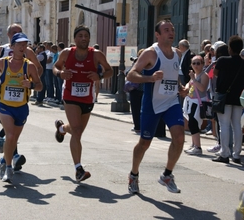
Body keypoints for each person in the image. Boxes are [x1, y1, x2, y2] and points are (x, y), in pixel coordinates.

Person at [126, 20, 185, 194]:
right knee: (144, 143)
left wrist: (180, 88)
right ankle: (134, 175)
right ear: (157, 35)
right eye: (166, 30)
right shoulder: (150, 54)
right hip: (152, 104)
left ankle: (167, 175)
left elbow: (173, 76)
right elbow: (131, 74)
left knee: (179, 137)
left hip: (171, 102)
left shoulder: (177, 54)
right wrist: (150, 78)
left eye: (172, 29)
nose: (171, 32)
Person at [53, 25, 113, 182]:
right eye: (80, 35)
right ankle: (78, 169)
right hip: (70, 96)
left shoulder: (96, 54)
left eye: (86, 35)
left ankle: (61, 128)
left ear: (89, 39)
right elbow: (56, 67)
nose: (83, 38)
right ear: (74, 39)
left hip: (87, 98)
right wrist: (60, 73)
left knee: (75, 130)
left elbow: (109, 71)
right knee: (78, 132)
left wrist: (99, 75)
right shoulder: (67, 53)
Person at [0, 32, 42, 183]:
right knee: (10, 136)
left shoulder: (29, 66)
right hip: (5, 106)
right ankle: (9, 169)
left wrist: (30, 84)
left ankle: (3, 161)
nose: (22, 47)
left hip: (21, 107)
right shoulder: (3, 63)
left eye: (25, 44)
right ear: (12, 46)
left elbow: (39, 85)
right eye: (19, 44)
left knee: (13, 140)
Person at [212, 35, 244, 164]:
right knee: (236, 125)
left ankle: (225, 153)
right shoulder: (243, 63)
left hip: (223, 97)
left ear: (230, 48)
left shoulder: (222, 60)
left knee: (224, 125)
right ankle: (237, 154)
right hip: (238, 98)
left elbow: (215, 74)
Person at [182, 55, 209, 155]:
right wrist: (186, 88)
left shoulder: (204, 75)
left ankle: (197, 146)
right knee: (191, 123)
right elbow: (189, 85)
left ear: (202, 64)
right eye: (194, 63)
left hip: (198, 102)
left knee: (194, 123)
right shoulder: (195, 75)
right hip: (191, 101)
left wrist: (193, 79)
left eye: (198, 63)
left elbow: (202, 88)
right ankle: (194, 144)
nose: (196, 65)